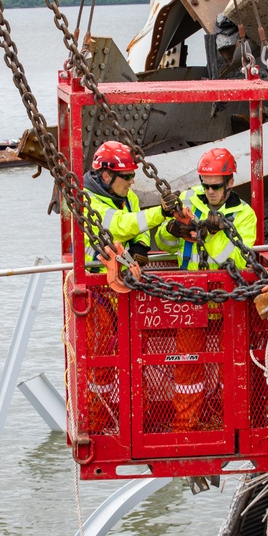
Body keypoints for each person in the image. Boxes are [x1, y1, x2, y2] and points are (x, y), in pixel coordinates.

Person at [154, 147, 258, 432]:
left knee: (231, 367)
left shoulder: (244, 216)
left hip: (226, 302)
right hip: (192, 300)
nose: (210, 191)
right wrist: (169, 231)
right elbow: (166, 244)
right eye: (205, 185)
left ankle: (228, 422)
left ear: (230, 183)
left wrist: (212, 236)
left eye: (216, 186)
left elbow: (237, 263)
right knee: (187, 367)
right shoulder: (189, 201)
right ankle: (185, 425)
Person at [80, 140, 178, 434]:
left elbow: (139, 232)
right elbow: (122, 225)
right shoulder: (89, 202)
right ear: (107, 176)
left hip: (123, 289)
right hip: (98, 292)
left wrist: (140, 252)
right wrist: (160, 213)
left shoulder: (128, 198)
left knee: (134, 355)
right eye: (127, 176)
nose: (132, 180)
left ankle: (135, 413)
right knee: (101, 362)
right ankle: (99, 421)